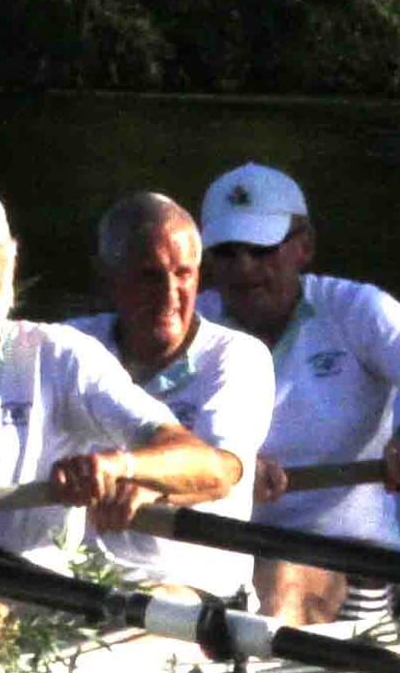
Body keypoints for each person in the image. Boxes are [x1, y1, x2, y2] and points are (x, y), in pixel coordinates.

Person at [0, 174, 233, 662]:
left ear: (12, 261)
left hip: (29, 586)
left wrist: (119, 468)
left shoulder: (60, 357)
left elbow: (205, 464)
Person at [195, 162, 400, 625]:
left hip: (353, 559)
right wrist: (222, 466)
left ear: (305, 247)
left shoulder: (360, 311)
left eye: (261, 248)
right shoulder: (191, 326)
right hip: (223, 550)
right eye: (226, 251)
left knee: (277, 582)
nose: (244, 268)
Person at [68, 191, 272, 599]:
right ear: (107, 278)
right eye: (149, 275)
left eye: (183, 274)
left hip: (194, 590)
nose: (169, 293)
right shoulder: (71, 347)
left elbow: (222, 471)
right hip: (80, 585)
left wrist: (147, 482)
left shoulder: (238, 358)